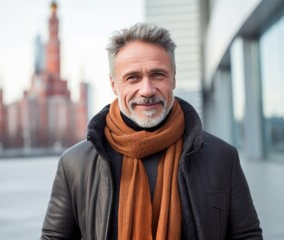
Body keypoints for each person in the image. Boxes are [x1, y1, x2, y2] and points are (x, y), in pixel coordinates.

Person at [41, 22, 262, 240]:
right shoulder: (75, 164)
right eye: (132, 77)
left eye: (158, 74)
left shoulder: (222, 157)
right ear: (114, 84)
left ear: (173, 77)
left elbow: (246, 235)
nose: (146, 90)